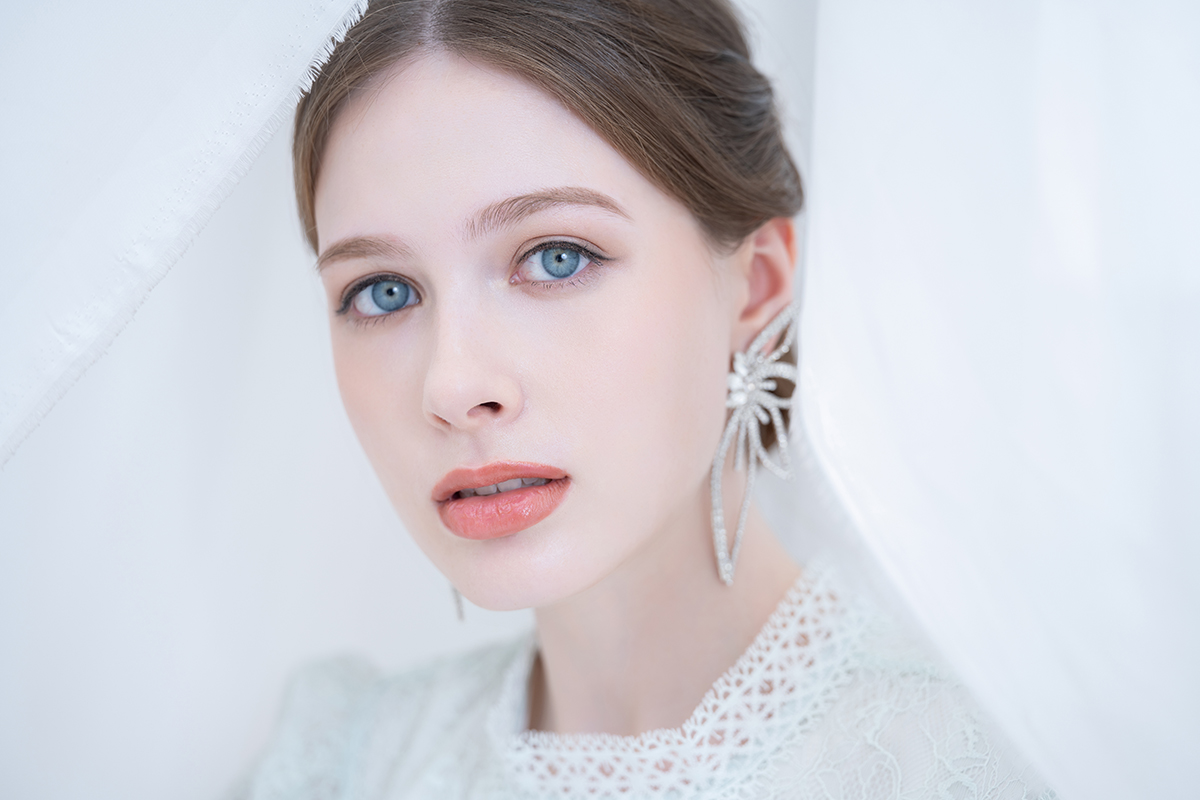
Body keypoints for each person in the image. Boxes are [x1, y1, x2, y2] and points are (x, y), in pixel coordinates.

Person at [243, 0, 1056, 797]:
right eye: (383, 292)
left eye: (556, 257)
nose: (452, 387)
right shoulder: (349, 763)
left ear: (755, 284)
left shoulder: (969, 764)